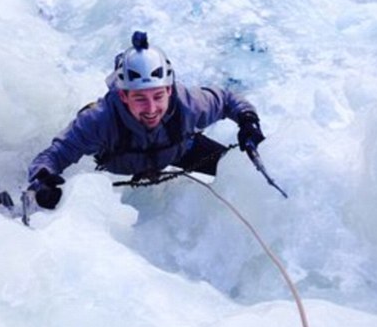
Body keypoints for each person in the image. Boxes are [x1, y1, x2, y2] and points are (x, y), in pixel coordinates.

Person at [27, 31, 265, 209]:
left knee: (238, 171)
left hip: (180, 152)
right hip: (116, 168)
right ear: (123, 95)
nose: (151, 109)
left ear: (169, 91)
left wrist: (248, 122)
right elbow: (52, 156)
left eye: (158, 96)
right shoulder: (99, 120)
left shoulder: (187, 104)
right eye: (140, 98)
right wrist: (43, 182)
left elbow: (227, 100)